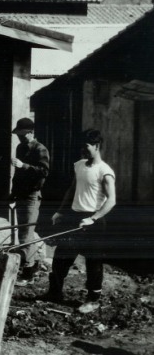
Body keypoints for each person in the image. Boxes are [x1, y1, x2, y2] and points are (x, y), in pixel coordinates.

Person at [46, 129, 117, 314]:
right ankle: (54, 292)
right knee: (61, 257)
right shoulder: (78, 165)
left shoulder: (105, 171)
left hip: (94, 220)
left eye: (86, 146)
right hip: (74, 217)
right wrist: (60, 211)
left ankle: (93, 300)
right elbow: (72, 189)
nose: (83, 150)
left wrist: (93, 218)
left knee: (93, 262)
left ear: (96, 146)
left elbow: (111, 201)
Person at [9, 117, 49, 285]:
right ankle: (32, 265)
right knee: (24, 233)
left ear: (31, 132)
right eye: (18, 135)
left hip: (32, 195)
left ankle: (28, 273)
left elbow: (44, 172)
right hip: (21, 194)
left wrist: (23, 165)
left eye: (23, 134)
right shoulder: (20, 148)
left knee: (25, 236)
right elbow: (18, 175)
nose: (20, 137)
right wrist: (13, 193)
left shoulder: (40, 149)